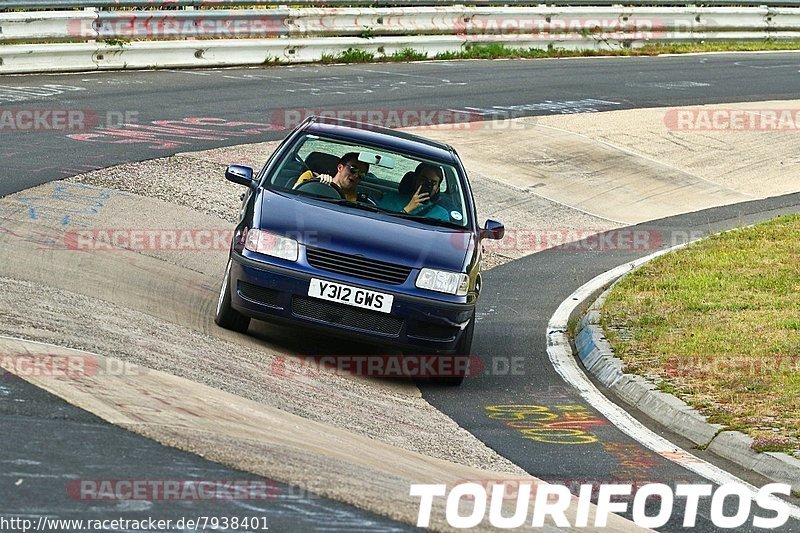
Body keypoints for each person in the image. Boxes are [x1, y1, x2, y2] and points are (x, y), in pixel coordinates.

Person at [381, 162, 451, 222]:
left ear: (437, 189)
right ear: (415, 180)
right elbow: (380, 224)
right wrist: (407, 209)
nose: (427, 185)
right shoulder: (391, 198)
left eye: (433, 183)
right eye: (424, 180)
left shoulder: (442, 214)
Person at [293, 152, 368, 202]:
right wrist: (315, 183)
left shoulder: (357, 201)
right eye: (353, 169)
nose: (356, 175)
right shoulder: (310, 176)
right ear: (340, 167)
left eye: (362, 174)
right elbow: (292, 197)